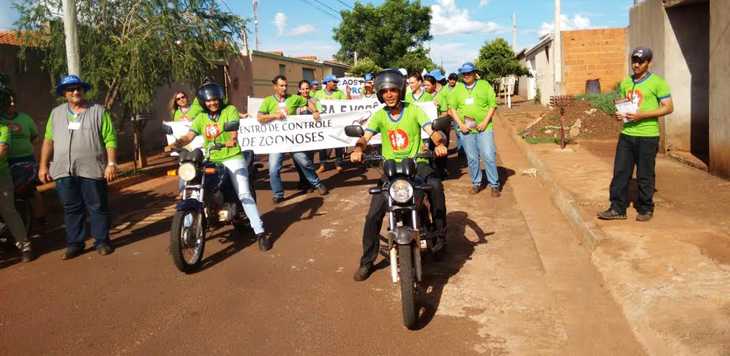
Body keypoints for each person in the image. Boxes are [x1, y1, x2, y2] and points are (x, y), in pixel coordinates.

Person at [350, 69, 449, 282]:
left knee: (436, 187)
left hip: (416, 163)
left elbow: (432, 130)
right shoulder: (379, 115)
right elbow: (365, 137)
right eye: (385, 91)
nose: (389, 94)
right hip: (391, 169)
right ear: (379, 94)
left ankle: (439, 237)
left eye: (393, 90)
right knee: (373, 215)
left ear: (401, 90)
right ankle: (367, 261)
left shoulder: (414, 110)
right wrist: (358, 149)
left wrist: (439, 143)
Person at [169, 81, 273, 251]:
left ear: (220, 98)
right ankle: (187, 229)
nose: (212, 103)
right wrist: (176, 143)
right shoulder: (201, 117)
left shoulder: (229, 110)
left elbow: (233, 130)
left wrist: (232, 140)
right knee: (192, 185)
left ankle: (260, 232)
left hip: (232, 156)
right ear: (203, 102)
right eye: (208, 101)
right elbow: (189, 135)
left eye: (215, 99)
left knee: (244, 192)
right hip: (212, 158)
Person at [39, 75, 117, 259]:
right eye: (70, 89)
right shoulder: (56, 113)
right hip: (63, 170)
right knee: (71, 208)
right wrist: (43, 166)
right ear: (64, 93)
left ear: (83, 91)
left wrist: (111, 163)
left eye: (78, 88)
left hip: (92, 169)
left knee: (97, 206)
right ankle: (75, 243)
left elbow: (110, 139)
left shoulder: (98, 111)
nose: (75, 92)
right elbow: (48, 141)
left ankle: (102, 241)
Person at [598, 47, 673, 222]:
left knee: (645, 173)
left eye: (641, 61)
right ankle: (617, 208)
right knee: (620, 172)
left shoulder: (658, 83)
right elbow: (625, 105)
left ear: (649, 63)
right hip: (627, 134)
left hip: (648, 135)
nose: (636, 64)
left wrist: (641, 115)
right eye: (634, 61)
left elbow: (669, 107)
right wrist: (619, 115)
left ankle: (646, 208)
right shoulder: (626, 82)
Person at [257, 75, 328, 204]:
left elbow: (308, 103)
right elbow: (259, 117)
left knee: (305, 162)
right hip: (276, 142)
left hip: (293, 140)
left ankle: (317, 184)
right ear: (275, 87)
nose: (284, 88)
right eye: (281, 86)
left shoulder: (294, 98)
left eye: (286, 85)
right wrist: (274, 116)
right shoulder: (268, 101)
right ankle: (278, 194)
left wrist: (315, 111)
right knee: (273, 169)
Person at [448, 62, 500, 196]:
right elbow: (452, 108)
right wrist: (460, 125)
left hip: (484, 128)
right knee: (471, 157)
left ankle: (494, 184)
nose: (466, 75)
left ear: (474, 73)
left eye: (469, 73)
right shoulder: (457, 90)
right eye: (464, 73)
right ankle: (476, 183)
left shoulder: (484, 85)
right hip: (467, 130)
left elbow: (492, 105)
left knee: (488, 155)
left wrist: (485, 122)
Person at [2, 93, 48, 225]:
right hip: (6, 162)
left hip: (26, 161)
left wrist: (26, 146)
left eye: (14, 102)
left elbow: (35, 137)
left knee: (31, 190)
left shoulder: (25, 118)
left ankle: (41, 219)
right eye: (8, 102)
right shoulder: (0, 120)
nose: (12, 104)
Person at [0, 83, 33, 262]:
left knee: (8, 210)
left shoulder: (3, 128)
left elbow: (2, 151)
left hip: (1, 175)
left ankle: (25, 246)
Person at [313, 75, 350, 173]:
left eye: (336, 82)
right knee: (322, 145)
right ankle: (322, 165)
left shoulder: (339, 93)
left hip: (336, 124)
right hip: (323, 124)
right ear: (327, 82)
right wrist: (314, 111)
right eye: (334, 82)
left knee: (338, 143)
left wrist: (348, 94)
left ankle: (338, 164)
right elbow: (311, 103)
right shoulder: (318, 93)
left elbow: (348, 104)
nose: (335, 84)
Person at [424, 70, 451, 178]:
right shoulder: (424, 97)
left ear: (434, 84)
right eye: (424, 85)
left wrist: (435, 120)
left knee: (441, 151)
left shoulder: (441, 97)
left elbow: (445, 113)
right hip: (427, 129)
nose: (425, 87)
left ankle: (442, 171)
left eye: (427, 85)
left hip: (440, 128)